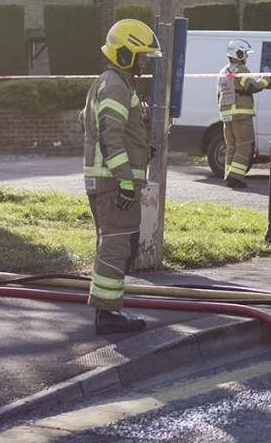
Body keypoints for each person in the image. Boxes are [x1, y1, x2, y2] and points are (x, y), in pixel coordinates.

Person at [83, 19, 162, 335]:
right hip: (115, 183)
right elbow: (110, 135)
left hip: (111, 180)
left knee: (115, 243)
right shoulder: (116, 83)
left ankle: (108, 310)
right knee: (115, 245)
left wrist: (143, 148)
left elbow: (95, 126)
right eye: (141, 55)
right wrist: (126, 180)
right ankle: (108, 314)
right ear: (125, 53)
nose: (144, 61)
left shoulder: (115, 81)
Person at [217, 39, 268, 189]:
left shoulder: (223, 71)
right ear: (238, 54)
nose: (247, 57)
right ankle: (235, 178)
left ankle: (229, 175)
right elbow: (253, 87)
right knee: (245, 145)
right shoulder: (241, 69)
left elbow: (218, 95)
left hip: (227, 115)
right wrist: (267, 79)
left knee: (232, 146)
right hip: (241, 114)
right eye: (245, 54)